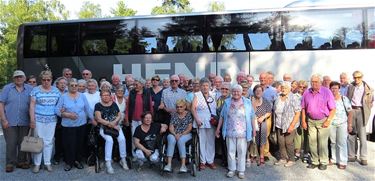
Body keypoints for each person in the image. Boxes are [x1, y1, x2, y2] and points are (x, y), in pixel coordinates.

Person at [215, 84, 255, 179]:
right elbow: (222, 116)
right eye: (234, 91)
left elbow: (252, 116)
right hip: (229, 131)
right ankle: (232, 169)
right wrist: (218, 129)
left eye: (238, 91)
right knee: (230, 151)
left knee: (242, 151)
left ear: (241, 92)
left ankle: (241, 170)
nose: (236, 93)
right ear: (231, 92)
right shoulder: (227, 102)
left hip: (243, 132)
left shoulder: (247, 102)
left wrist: (254, 129)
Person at [55, 78, 94, 171]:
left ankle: (77, 161)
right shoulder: (63, 96)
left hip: (81, 124)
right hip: (68, 125)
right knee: (68, 144)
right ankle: (69, 162)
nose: (74, 87)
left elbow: (88, 109)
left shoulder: (82, 96)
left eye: (75, 85)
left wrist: (93, 119)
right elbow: (56, 110)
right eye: (71, 85)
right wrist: (66, 114)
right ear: (68, 86)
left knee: (79, 143)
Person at [0, 70, 33, 173]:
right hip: (9, 120)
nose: (19, 79)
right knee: (11, 142)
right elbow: (1, 104)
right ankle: (10, 163)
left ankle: (21, 161)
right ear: (13, 79)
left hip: (25, 120)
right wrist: (3, 119)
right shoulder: (7, 88)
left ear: (24, 78)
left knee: (23, 142)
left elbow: (34, 103)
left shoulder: (30, 89)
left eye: (20, 77)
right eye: (16, 77)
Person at [301, 74, 336, 170]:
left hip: (323, 120)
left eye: (316, 82)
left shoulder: (327, 92)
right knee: (312, 142)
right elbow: (303, 108)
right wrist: (303, 121)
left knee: (322, 142)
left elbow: (333, 109)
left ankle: (323, 161)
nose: (314, 83)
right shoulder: (307, 92)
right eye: (312, 81)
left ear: (320, 82)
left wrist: (328, 120)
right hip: (310, 121)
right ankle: (314, 161)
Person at [29, 70, 61, 173]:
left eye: (48, 79)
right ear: (41, 80)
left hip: (52, 119)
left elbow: (60, 105)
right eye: (44, 80)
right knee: (39, 140)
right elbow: (32, 106)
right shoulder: (35, 90)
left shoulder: (56, 91)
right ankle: (37, 164)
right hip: (38, 119)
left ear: (51, 80)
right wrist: (32, 119)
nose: (46, 81)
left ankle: (47, 163)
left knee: (49, 141)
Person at [95, 90, 129, 174]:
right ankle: (108, 163)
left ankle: (123, 159)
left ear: (110, 96)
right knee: (109, 140)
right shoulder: (98, 105)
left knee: (122, 139)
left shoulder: (114, 104)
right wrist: (111, 124)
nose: (106, 96)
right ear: (101, 96)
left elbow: (119, 115)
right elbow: (98, 118)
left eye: (107, 95)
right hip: (104, 128)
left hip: (115, 126)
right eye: (104, 95)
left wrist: (115, 122)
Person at [347, 70, 373, 166]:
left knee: (362, 135)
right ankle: (352, 155)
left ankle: (363, 157)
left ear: (362, 77)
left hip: (361, 111)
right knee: (351, 134)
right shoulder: (351, 86)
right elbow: (347, 98)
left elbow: (371, 100)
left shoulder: (368, 88)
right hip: (352, 111)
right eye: (355, 77)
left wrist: (367, 109)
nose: (357, 79)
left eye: (359, 77)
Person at [273, 82, 301, 167]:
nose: (283, 89)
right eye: (282, 87)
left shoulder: (294, 98)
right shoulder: (278, 96)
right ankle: (283, 158)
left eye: (285, 88)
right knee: (281, 142)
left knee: (288, 142)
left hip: (289, 124)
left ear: (289, 89)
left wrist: (292, 125)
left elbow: (297, 113)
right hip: (279, 124)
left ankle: (291, 159)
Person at [192, 77, 217, 170]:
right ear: (200, 86)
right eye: (203, 85)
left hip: (211, 121)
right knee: (201, 141)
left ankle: (210, 161)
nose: (205, 87)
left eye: (207, 85)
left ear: (209, 86)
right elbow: (193, 109)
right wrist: (197, 119)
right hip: (201, 121)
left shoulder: (213, 95)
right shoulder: (197, 95)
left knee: (211, 142)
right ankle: (202, 161)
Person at [125, 78, 153, 157]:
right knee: (134, 138)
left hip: (144, 120)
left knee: (144, 138)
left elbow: (150, 107)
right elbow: (128, 107)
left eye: (136, 84)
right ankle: (135, 155)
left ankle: (145, 154)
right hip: (133, 120)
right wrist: (127, 118)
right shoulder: (132, 93)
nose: (135, 86)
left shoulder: (147, 93)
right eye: (134, 84)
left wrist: (151, 119)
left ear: (142, 85)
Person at [163, 99, 193, 173]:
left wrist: (181, 134)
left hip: (186, 133)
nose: (179, 108)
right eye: (177, 107)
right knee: (170, 139)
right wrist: (175, 134)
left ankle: (183, 165)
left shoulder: (188, 114)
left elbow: (189, 128)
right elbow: (171, 127)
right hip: (174, 133)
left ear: (185, 107)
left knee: (181, 140)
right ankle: (169, 164)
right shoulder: (174, 114)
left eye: (181, 107)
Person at [329, 81, 352, 169]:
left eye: (336, 88)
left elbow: (350, 112)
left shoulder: (344, 99)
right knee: (333, 142)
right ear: (330, 89)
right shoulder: (329, 99)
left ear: (339, 89)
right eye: (332, 88)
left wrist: (349, 125)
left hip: (342, 124)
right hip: (331, 124)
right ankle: (334, 159)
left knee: (342, 142)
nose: (334, 90)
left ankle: (342, 161)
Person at [250, 85, 272, 166]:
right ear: (254, 91)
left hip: (262, 123)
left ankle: (262, 156)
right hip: (252, 122)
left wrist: (263, 117)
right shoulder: (250, 100)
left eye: (260, 90)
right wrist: (253, 116)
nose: (258, 92)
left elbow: (269, 111)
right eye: (256, 90)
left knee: (262, 140)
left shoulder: (266, 101)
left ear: (262, 92)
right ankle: (253, 155)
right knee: (253, 140)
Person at [215, 82, 231, 166]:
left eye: (226, 89)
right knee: (223, 143)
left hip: (229, 126)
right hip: (220, 124)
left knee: (228, 145)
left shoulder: (231, 99)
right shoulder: (219, 99)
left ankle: (229, 162)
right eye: (222, 89)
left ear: (230, 90)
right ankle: (224, 160)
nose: (224, 90)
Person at [53, 77, 67, 165]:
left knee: (66, 138)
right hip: (57, 118)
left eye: (64, 83)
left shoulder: (68, 93)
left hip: (66, 117)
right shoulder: (53, 93)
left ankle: (65, 155)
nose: (62, 85)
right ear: (57, 84)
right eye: (60, 83)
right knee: (58, 138)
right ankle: (57, 156)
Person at [294, 80, 309, 162]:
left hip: (307, 117)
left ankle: (306, 153)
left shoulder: (309, 95)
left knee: (307, 135)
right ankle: (297, 153)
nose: (302, 88)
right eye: (300, 87)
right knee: (298, 135)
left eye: (304, 87)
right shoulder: (294, 96)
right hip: (297, 117)